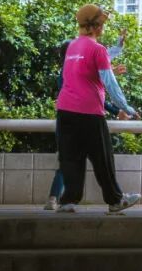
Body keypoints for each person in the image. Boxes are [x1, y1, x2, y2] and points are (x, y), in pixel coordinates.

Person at [55, 4, 141, 214]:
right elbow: (110, 84)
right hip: (89, 112)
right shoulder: (97, 49)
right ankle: (115, 200)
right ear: (95, 26)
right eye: (102, 23)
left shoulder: (73, 46)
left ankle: (67, 202)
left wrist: (119, 46)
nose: (104, 26)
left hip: (65, 110)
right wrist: (127, 108)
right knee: (102, 158)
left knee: (70, 157)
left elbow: (100, 58)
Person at [44, 36, 130, 211]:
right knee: (98, 159)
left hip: (69, 117)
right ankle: (113, 200)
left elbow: (95, 66)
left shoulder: (71, 68)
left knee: (69, 159)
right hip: (84, 117)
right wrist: (122, 109)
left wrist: (114, 56)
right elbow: (91, 83)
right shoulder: (72, 70)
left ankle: (63, 201)